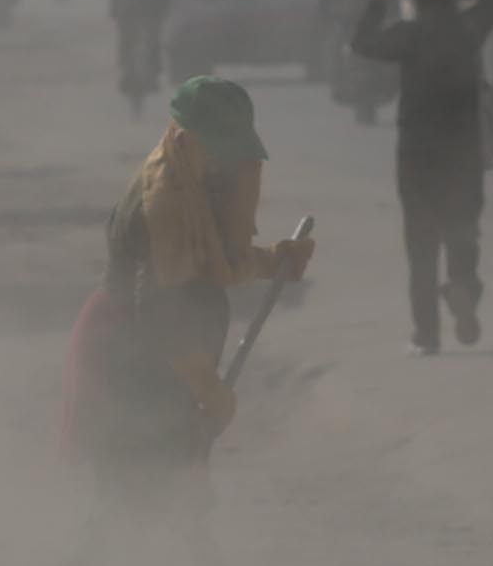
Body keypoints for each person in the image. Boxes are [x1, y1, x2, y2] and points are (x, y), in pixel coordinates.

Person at [66, 75, 315, 507]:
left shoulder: (197, 186)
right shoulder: (161, 201)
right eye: (217, 148)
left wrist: (273, 261)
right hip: (133, 357)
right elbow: (162, 312)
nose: (226, 162)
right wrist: (206, 384)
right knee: (137, 489)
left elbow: (209, 261)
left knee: (179, 490)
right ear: (185, 138)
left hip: (174, 358)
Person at [349, 0, 493, 352]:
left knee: (421, 248)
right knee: (462, 232)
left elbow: (362, 42)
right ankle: (462, 287)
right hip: (463, 154)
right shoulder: (469, 30)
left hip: (417, 157)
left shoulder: (409, 36)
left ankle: (427, 336)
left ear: (417, 0)